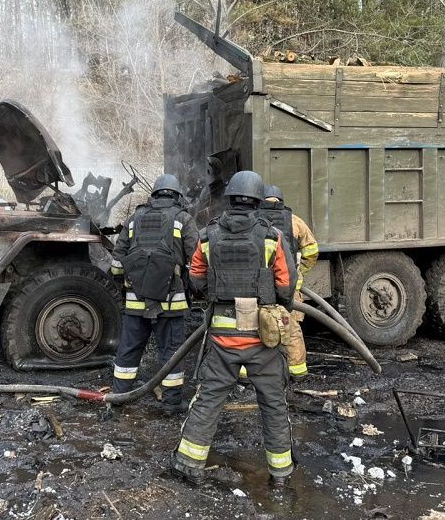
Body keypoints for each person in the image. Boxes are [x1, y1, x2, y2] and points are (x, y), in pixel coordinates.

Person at [171, 170, 298, 486]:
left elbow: (196, 279)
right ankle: (280, 473)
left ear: (230, 198)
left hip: (222, 338)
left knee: (209, 400)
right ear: (256, 199)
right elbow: (286, 284)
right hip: (262, 340)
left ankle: (189, 464)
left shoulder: (207, 236)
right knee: (273, 405)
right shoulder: (272, 237)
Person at [110, 174, 198, 415]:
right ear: (177, 196)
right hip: (170, 302)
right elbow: (197, 260)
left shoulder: (134, 219)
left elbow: (117, 263)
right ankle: (171, 403)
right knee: (171, 353)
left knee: (128, 349)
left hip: (135, 301)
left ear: (154, 194)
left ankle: (120, 397)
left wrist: (128, 281)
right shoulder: (182, 219)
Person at [258, 184, 319, 381]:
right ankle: (297, 372)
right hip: (288, 286)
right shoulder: (294, 221)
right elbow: (311, 250)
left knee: (257, 327)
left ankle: (251, 373)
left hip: (260, 288)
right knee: (291, 328)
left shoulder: (254, 221)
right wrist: (299, 273)